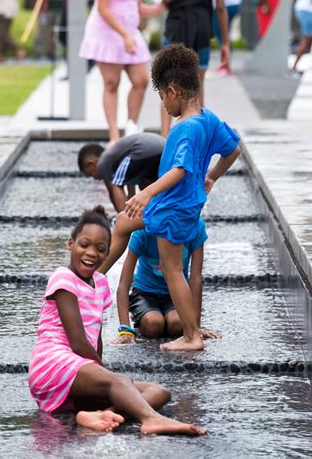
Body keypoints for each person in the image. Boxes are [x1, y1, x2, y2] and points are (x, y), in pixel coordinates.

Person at [98, 44, 240, 352]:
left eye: (162, 96)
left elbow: (178, 169)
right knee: (123, 224)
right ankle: (91, 280)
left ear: (173, 90)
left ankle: (191, 336)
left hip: (170, 208)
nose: (163, 104)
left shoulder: (183, 129)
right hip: (187, 206)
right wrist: (212, 175)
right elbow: (234, 150)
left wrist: (147, 192)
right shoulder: (208, 118)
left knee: (173, 269)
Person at [28, 205, 206, 437]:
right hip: (52, 364)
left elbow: (95, 338)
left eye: (100, 249)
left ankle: (103, 415)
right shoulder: (64, 278)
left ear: (107, 252)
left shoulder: (100, 283)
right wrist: (107, 377)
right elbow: (79, 342)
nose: (91, 253)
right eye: (84, 245)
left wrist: (104, 378)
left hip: (77, 372)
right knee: (120, 383)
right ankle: (151, 419)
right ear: (70, 244)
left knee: (158, 391)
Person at [79, 0, 162, 143]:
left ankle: (131, 127)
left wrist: (157, 9)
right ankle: (114, 135)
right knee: (111, 83)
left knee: (141, 80)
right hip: (107, 32)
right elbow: (103, 9)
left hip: (130, 32)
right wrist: (124, 34)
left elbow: (135, 5)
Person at [113, 224, 221, 344]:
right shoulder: (143, 232)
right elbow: (124, 284)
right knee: (153, 324)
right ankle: (144, 319)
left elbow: (195, 279)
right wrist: (125, 329)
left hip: (176, 293)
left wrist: (194, 328)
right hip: (144, 293)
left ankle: (167, 320)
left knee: (178, 324)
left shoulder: (194, 226)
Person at [77, 133, 165, 212]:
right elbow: (131, 186)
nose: (95, 179)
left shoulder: (103, 162)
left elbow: (112, 192)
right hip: (163, 147)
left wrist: (121, 217)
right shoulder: (119, 158)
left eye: (90, 174)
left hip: (142, 149)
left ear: (91, 164)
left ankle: (127, 221)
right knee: (145, 184)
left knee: (116, 184)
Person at [212, 0, 243, 75]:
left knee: (221, 32)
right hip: (225, 5)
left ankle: (226, 64)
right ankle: (224, 63)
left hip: (226, 6)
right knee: (223, 33)